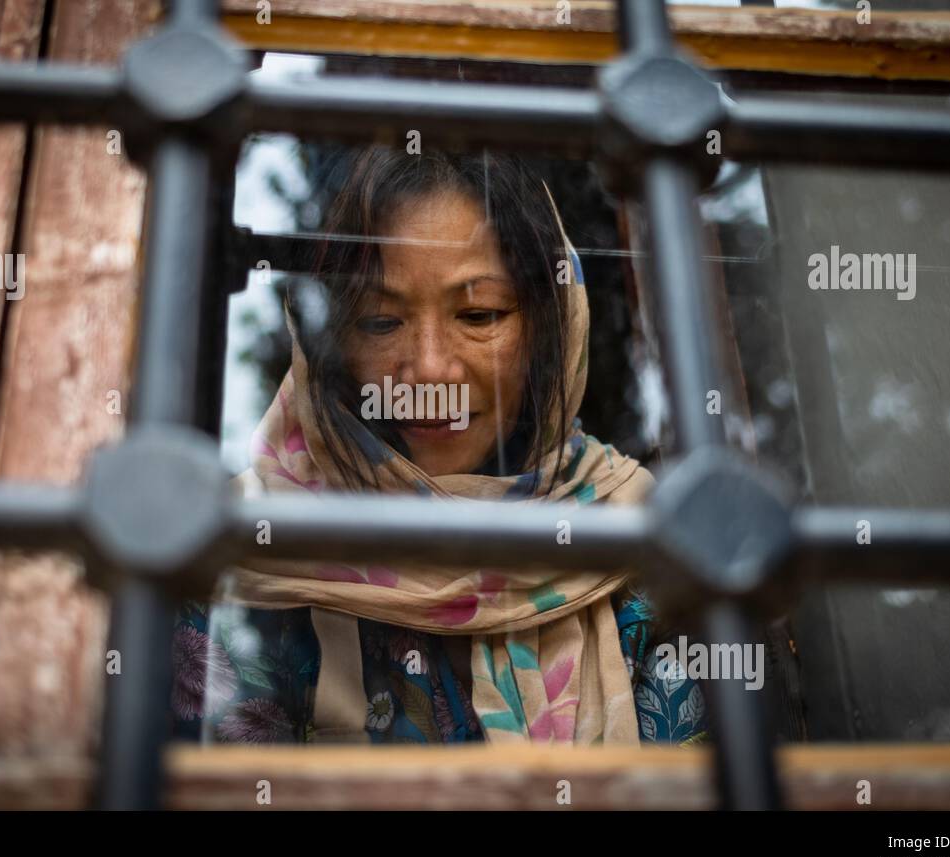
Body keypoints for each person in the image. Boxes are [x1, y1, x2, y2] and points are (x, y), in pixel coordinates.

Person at [172, 146, 708, 746]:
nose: (428, 373)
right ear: (330, 345)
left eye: (479, 314)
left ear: (550, 332)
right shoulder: (236, 552)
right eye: (380, 321)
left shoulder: (640, 543)